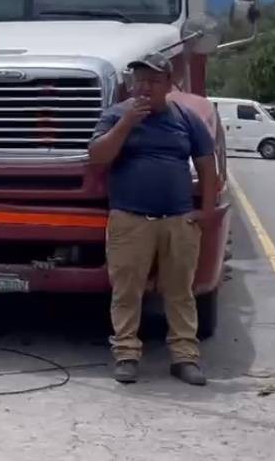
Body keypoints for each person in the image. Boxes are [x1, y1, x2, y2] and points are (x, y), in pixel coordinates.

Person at [89, 52, 217, 387]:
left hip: (179, 220)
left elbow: (207, 168)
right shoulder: (116, 116)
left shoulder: (187, 119)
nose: (145, 88)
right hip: (130, 220)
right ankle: (127, 355)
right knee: (127, 291)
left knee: (180, 292)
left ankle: (185, 358)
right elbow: (98, 157)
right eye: (140, 81)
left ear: (168, 85)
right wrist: (127, 123)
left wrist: (205, 212)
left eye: (153, 81)